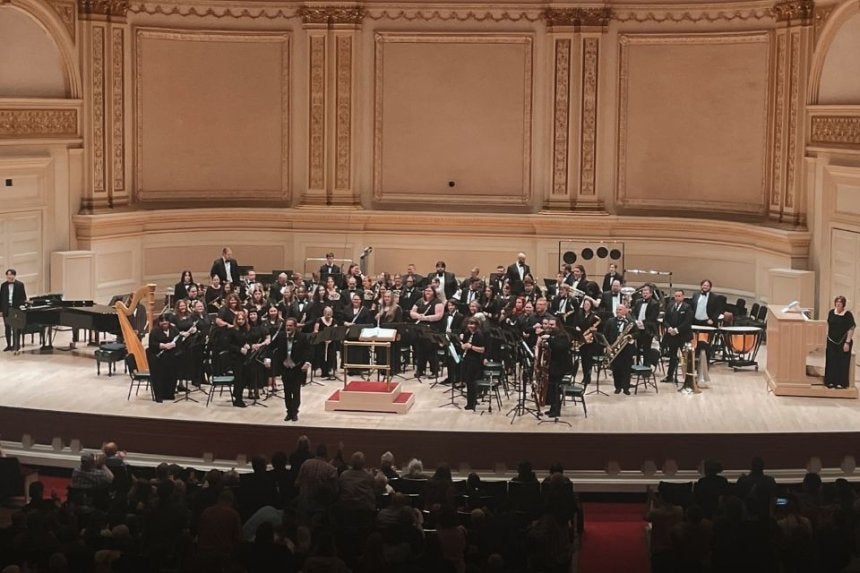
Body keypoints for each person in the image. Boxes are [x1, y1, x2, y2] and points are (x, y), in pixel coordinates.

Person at [276, 317, 311, 422]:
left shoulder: (302, 337)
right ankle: (289, 412)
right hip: (285, 368)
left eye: (290, 326)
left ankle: (295, 411)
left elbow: (308, 351)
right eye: (287, 325)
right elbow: (274, 349)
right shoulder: (281, 336)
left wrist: (307, 363)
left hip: (297, 368)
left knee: (296, 391)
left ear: (295, 327)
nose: (288, 327)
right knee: (287, 391)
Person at [410, 286, 444, 378]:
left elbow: (439, 316)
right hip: (420, 328)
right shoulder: (420, 301)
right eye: (426, 290)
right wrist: (418, 315)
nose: (427, 292)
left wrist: (426, 318)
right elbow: (412, 312)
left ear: (434, 292)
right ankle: (420, 370)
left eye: (429, 290)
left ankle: (435, 370)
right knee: (420, 350)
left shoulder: (437, 302)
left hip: (432, 328)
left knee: (431, 350)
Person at [541, 316, 572, 417]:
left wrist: (549, 339)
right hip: (554, 365)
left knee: (555, 388)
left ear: (558, 325)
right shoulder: (553, 335)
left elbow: (558, 347)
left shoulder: (563, 336)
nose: (550, 327)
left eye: (552, 325)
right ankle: (552, 408)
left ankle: (556, 410)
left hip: (561, 366)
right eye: (549, 325)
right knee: (551, 387)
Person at [661, 289, 693, 383]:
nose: (677, 298)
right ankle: (669, 376)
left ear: (683, 297)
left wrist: (677, 330)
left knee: (685, 357)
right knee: (672, 356)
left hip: (683, 335)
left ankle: (688, 378)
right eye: (676, 296)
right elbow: (665, 319)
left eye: (679, 296)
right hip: (672, 336)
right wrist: (669, 328)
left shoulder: (687, 307)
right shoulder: (670, 305)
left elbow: (687, 322)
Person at [147, 314, 180, 402]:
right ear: (159, 322)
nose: (164, 323)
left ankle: (169, 394)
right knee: (159, 377)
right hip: (158, 358)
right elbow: (152, 344)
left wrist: (174, 344)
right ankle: (159, 396)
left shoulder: (174, 330)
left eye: (166, 321)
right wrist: (163, 345)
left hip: (171, 357)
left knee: (171, 375)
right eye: (162, 321)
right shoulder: (154, 331)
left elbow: (179, 340)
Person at [604, 303, 635, 395]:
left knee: (626, 369)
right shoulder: (610, 321)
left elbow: (637, 333)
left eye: (620, 310)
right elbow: (605, 334)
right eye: (617, 310)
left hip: (626, 349)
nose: (618, 311)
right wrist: (607, 346)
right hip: (614, 348)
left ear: (625, 311)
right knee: (616, 369)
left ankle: (626, 388)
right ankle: (617, 387)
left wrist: (630, 335)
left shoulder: (631, 322)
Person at [825, 295, 855, 389]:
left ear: (843, 304)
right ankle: (830, 381)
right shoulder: (831, 312)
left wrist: (847, 342)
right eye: (837, 302)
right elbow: (828, 325)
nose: (838, 304)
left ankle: (840, 382)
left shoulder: (847, 314)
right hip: (831, 341)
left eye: (840, 302)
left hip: (843, 342)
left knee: (841, 362)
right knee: (831, 361)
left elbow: (851, 328)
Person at [460, 318, 485, 410]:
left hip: (475, 360)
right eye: (469, 324)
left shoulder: (479, 335)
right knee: (467, 381)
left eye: (473, 324)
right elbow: (463, 344)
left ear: (477, 325)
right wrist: (463, 345)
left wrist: (471, 347)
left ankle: (471, 403)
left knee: (471, 381)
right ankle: (472, 400)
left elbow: (482, 349)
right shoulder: (467, 333)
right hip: (466, 358)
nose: (470, 326)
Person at [631, 284, 660, 363]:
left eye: (646, 291)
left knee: (646, 349)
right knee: (636, 348)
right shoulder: (638, 302)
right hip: (637, 328)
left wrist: (643, 322)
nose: (645, 293)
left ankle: (646, 369)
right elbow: (634, 313)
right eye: (643, 291)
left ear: (650, 293)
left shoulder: (654, 303)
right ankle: (636, 365)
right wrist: (635, 321)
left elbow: (653, 317)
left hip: (647, 329)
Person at [1, 268, 27, 351]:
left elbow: (23, 297)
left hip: (15, 309)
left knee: (16, 327)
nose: (9, 276)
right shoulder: (3, 285)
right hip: (6, 309)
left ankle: (16, 345)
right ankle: (8, 345)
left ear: (14, 275)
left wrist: (22, 306)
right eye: (7, 275)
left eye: (10, 274)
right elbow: (1, 299)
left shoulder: (20, 285)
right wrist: (1, 310)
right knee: (7, 327)